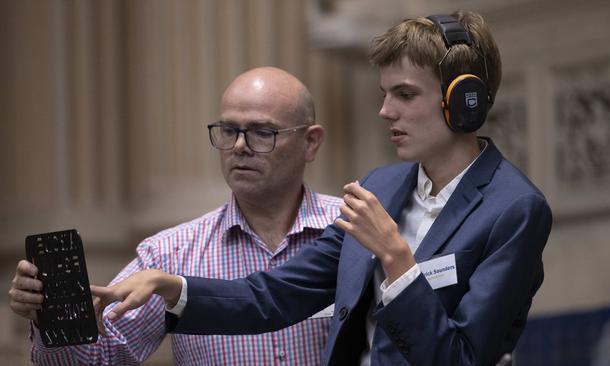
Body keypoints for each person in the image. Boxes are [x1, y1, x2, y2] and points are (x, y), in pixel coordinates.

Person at [91, 10, 553, 366]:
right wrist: (170, 286)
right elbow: (270, 297)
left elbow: (460, 359)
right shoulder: (382, 186)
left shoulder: (515, 209)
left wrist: (397, 260)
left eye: (405, 95)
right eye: (383, 93)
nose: (385, 111)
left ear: (463, 102)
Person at [8, 66, 341, 365]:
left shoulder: (354, 229)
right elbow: (100, 360)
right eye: (228, 130)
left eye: (261, 132)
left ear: (311, 142)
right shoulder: (170, 253)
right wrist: (50, 318)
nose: (239, 146)